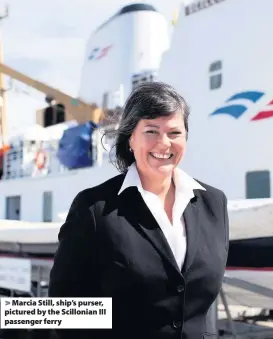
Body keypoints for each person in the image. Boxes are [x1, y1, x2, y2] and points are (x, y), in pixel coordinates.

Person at [48, 82, 229, 339]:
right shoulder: (94, 209)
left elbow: (200, 308)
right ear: (130, 138)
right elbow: (63, 311)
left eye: (175, 133)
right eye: (151, 131)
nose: (164, 143)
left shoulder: (214, 204)